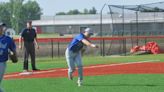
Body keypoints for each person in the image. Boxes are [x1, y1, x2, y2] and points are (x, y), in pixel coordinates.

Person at [0, 22, 17, 92]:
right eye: (0, 27)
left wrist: (13, 54)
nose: (1, 28)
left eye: (2, 27)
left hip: (1, 63)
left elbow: (13, 51)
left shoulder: (8, 39)